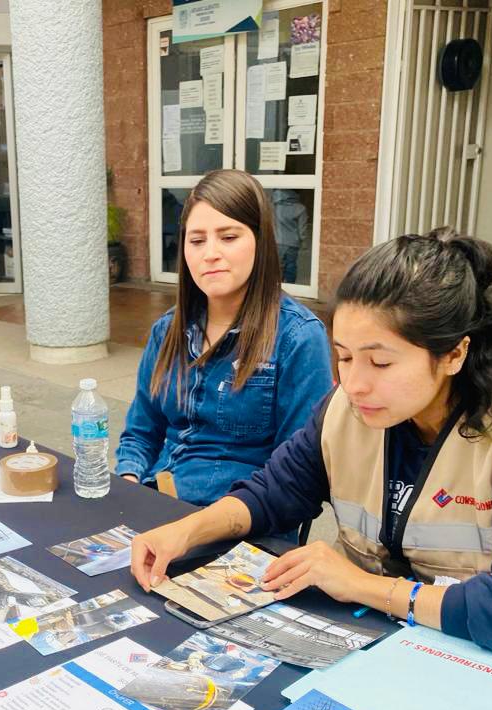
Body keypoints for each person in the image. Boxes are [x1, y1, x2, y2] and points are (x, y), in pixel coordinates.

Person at [131, 228, 492, 657]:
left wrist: (364, 586)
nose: (354, 383)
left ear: (453, 354)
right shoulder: (348, 410)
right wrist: (186, 531)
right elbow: (273, 491)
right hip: (381, 639)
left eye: (380, 362)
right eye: (344, 356)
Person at [114, 169, 333, 506]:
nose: (210, 253)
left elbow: (299, 471)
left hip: (238, 519)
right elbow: (142, 432)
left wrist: (210, 523)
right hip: (155, 500)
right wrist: (128, 482)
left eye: (228, 237)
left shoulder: (298, 337)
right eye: (197, 240)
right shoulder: (167, 330)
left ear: (261, 241)